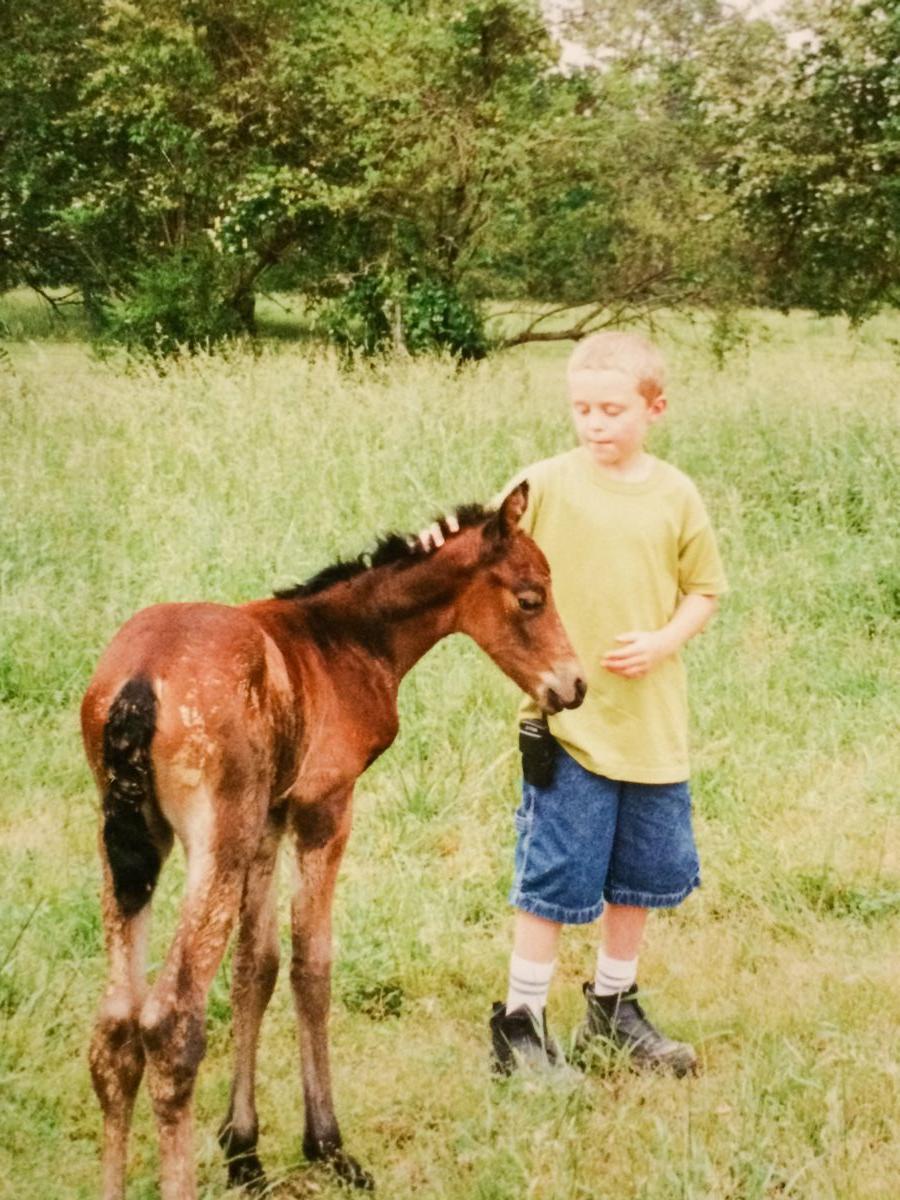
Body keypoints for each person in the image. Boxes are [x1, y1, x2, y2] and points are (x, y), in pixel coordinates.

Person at [430, 331, 727, 1075]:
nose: (595, 424)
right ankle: (521, 1026)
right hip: (569, 728)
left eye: (612, 410)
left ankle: (613, 1009)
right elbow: (477, 542)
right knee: (556, 877)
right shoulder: (547, 484)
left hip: (652, 726)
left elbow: (705, 591)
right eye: (582, 409)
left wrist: (664, 641)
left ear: (654, 408)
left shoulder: (676, 494)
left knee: (641, 876)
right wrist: (437, 541)